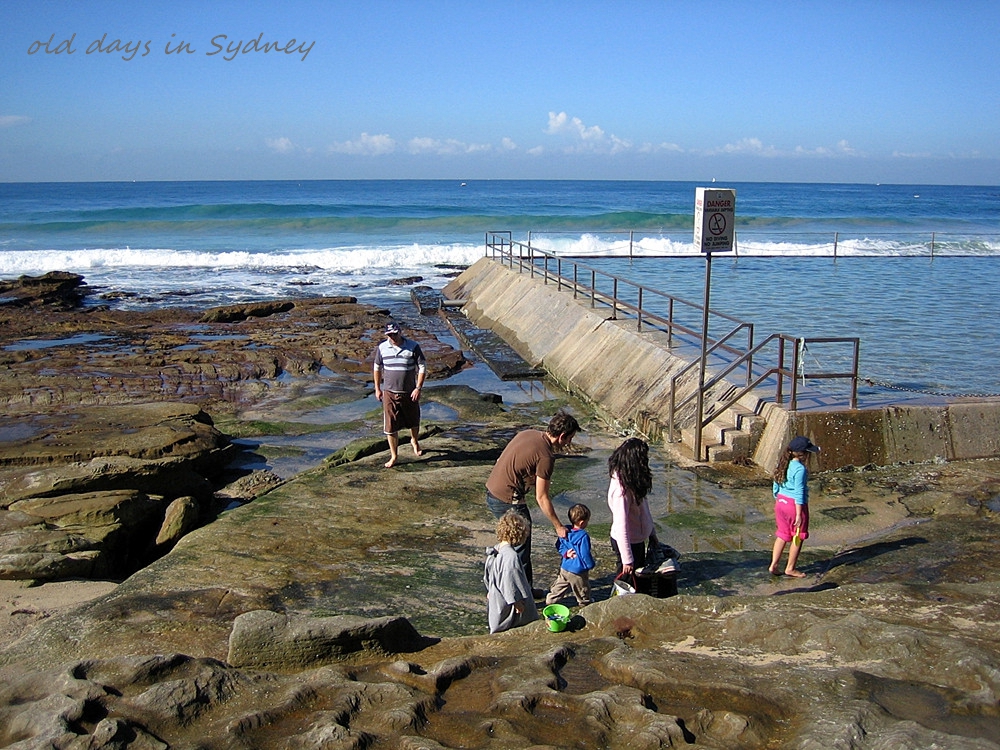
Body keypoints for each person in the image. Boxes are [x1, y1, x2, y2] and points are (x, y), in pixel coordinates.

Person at [485, 410, 581, 589]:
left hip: (492, 491)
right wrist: (558, 527)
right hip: (507, 500)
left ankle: (523, 588)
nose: (569, 443)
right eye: (570, 438)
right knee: (520, 548)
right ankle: (519, 593)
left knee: (510, 543)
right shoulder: (546, 457)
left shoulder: (528, 433)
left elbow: (501, 458)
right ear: (561, 436)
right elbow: (542, 497)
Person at [607, 437, 661, 596]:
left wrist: (652, 533)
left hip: (638, 539)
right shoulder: (621, 491)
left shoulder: (633, 480)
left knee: (639, 579)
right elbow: (621, 525)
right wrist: (627, 559)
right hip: (627, 542)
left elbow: (644, 509)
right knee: (626, 582)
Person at [372, 321, 426, 468]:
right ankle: (394, 456)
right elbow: (377, 368)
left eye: (395, 334)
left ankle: (414, 441)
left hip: (409, 392)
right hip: (389, 392)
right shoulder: (382, 348)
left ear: (400, 332)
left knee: (414, 420)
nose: (393, 337)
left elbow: (422, 367)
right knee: (390, 426)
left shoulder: (413, 346)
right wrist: (377, 388)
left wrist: (418, 388)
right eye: (389, 335)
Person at [769, 435, 821, 578]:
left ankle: (773, 565)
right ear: (804, 454)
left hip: (781, 503)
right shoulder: (800, 469)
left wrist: (778, 498)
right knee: (798, 536)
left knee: (782, 535)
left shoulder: (782, 464)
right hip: (794, 506)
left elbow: (776, 483)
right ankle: (790, 568)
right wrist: (798, 514)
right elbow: (799, 492)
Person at [483, 511, 538, 634]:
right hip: (508, 604)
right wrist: (517, 603)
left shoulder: (496, 550)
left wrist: (489, 590)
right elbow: (510, 582)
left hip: (496, 596)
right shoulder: (511, 557)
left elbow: (487, 575)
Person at [545, 503, 595, 607]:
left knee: (561, 584)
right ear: (582, 523)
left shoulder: (565, 531)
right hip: (577, 571)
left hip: (565, 567)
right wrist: (590, 565)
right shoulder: (583, 536)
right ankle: (585, 602)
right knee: (582, 588)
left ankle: (552, 598)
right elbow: (585, 553)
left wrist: (565, 553)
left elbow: (558, 544)